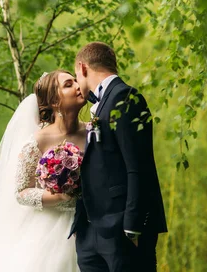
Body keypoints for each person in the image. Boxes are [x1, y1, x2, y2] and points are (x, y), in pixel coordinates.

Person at [71, 42, 168, 272]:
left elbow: (138, 167)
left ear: (82, 67)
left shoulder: (125, 97)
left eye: (76, 75)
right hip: (93, 231)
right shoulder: (103, 102)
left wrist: (133, 226)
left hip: (123, 229)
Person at [0, 70, 87, 272]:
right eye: (68, 84)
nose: (78, 85)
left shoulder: (93, 132)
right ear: (55, 101)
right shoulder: (38, 141)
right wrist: (59, 196)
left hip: (91, 223)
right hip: (52, 231)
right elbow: (21, 192)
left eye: (76, 80)